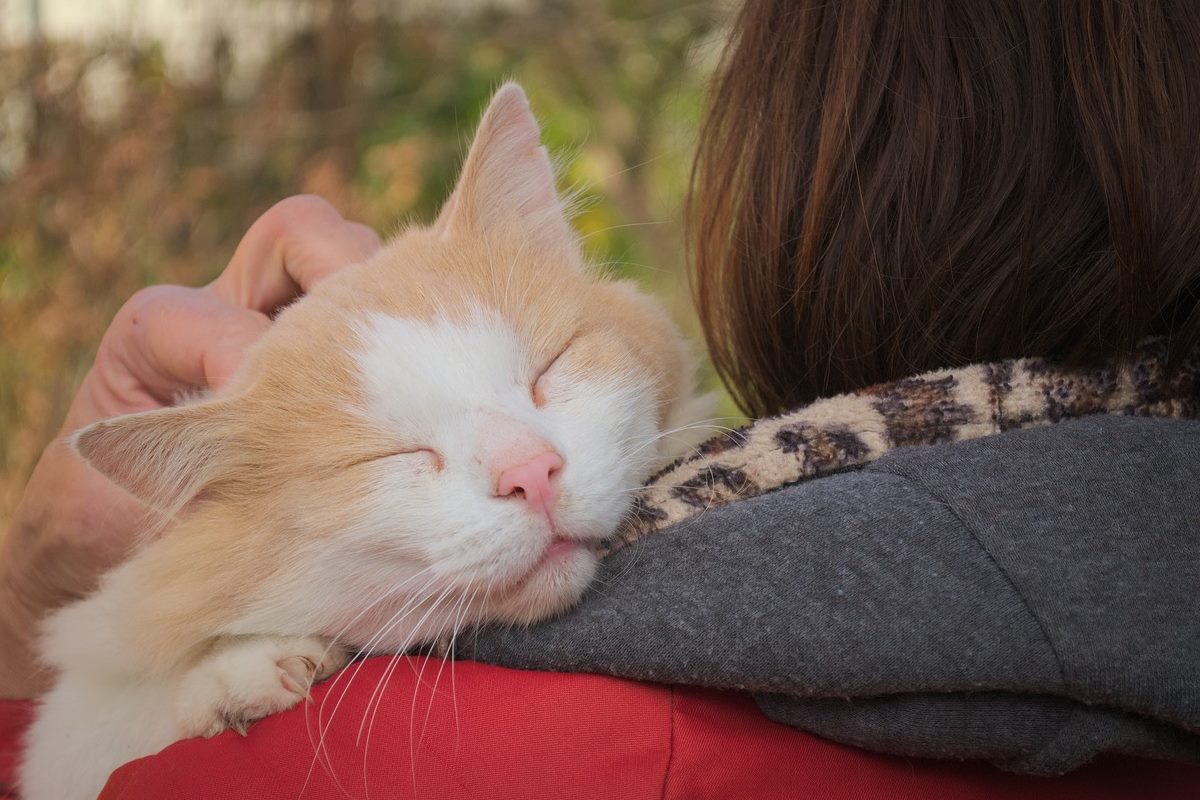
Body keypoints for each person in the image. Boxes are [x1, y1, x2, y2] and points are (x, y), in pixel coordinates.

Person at [2, 1, 1198, 798]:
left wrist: (29, 597)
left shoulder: (486, 750)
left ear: (809, 208)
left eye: (546, 379)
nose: (530, 465)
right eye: (391, 459)